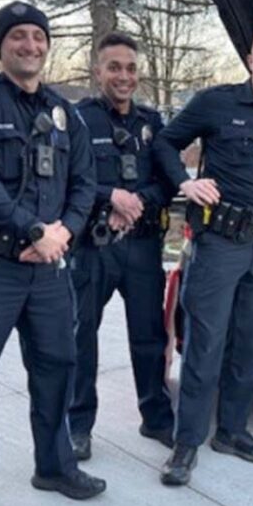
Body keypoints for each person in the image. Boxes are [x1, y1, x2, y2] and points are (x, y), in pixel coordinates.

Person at [0, 1, 106, 506]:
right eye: (18, 36)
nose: (30, 45)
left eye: (38, 36)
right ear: (1, 46)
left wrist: (64, 232)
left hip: (51, 270)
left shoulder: (67, 114)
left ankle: (54, 466)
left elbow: (86, 184)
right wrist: (33, 229)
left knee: (58, 367)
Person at [153, 24, 253, 486]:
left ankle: (233, 432)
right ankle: (186, 443)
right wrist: (184, 182)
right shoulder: (215, 103)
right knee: (206, 342)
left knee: (250, 343)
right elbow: (164, 141)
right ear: (250, 58)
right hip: (219, 245)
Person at [68, 32, 175, 460]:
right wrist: (110, 197)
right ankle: (78, 427)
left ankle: (156, 418)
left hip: (143, 247)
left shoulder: (152, 123)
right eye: (114, 67)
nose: (124, 76)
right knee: (81, 337)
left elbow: (168, 179)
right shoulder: (77, 119)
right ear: (98, 72)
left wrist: (137, 203)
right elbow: (69, 176)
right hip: (93, 247)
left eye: (130, 68)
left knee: (149, 336)